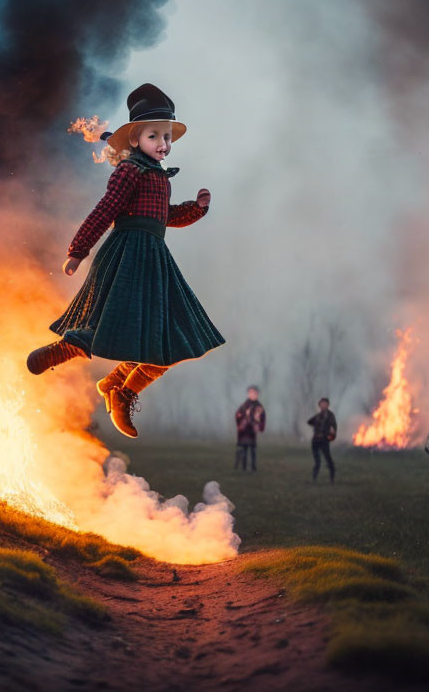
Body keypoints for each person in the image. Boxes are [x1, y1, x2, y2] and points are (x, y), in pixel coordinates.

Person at [26, 84, 224, 438]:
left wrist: (197, 210)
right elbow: (106, 210)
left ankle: (120, 388)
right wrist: (78, 249)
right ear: (135, 139)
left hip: (156, 260)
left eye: (167, 136)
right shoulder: (129, 171)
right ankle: (62, 351)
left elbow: (164, 216)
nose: (163, 143)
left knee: (167, 337)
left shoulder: (159, 176)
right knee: (112, 322)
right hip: (127, 254)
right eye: (154, 136)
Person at [235, 385, 266, 471]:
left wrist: (260, 426)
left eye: (254, 393)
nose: (252, 395)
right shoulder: (244, 405)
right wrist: (240, 421)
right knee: (244, 449)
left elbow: (262, 417)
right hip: (244, 431)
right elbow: (238, 414)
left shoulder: (259, 406)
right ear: (248, 394)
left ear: (257, 394)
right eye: (251, 393)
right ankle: (244, 467)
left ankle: (253, 467)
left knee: (253, 450)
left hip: (252, 432)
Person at [307, 398, 337, 483]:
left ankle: (332, 479)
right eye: (321, 404)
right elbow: (309, 422)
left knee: (329, 461)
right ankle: (314, 479)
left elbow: (334, 428)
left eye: (324, 404)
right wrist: (316, 426)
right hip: (316, 441)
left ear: (328, 405)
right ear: (319, 405)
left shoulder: (330, 416)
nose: (323, 405)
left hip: (324, 441)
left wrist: (330, 435)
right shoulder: (318, 416)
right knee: (317, 462)